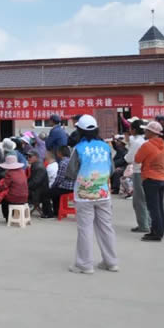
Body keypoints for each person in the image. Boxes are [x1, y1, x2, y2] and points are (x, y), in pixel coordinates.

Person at [66, 115, 119, 273]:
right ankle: (111, 262)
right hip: (103, 193)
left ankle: (85, 264)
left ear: (79, 131)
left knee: (85, 229)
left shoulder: (78, 148)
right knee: (106, 228)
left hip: (84, 196)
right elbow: (111, 169)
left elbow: (71, 172)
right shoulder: (105, 147)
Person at [134, 121, 164, 242]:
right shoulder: (162, 144)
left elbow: (137, 159)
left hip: (150, 178)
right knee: (159, 207)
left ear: (151, 132)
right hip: (162, 177)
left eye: (147, 130)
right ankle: (160, 229)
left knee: (153, 208)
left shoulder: (147, 145)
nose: (145, 132)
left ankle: (156, 233)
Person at [0, 155, 28, 224]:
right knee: (4, 197)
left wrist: (1, 184)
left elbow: (4, 186)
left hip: (14, 197)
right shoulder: (22, 171)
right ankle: (7, 217)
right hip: (24, 196)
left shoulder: (9, 173)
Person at [125, 119, 150, 234]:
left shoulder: (136, 142)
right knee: (146, 199)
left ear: (134, 130)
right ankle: (148, 222)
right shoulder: (146, 140)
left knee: (139, 200)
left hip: (138, 171)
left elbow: (129, 158)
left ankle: (144, 225)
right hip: (147, 171)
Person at [46, 146, 76, 218]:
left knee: (47, 193)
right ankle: (57, 211)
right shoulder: (72, 161)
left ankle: (49, 213)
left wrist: (53, 185)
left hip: (66, 187)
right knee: (55, 192)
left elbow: (59, 178)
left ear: (60, 153)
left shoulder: (63, 163)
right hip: (74, 187)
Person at [27, 150, 51, 217]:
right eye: (27, 156)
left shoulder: (39, 167)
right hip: (37, 190)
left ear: (36, 157)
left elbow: (35, 182)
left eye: (30, 156)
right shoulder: (35, 165)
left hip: (39, 193)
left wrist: (24, 187)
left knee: (17, 193)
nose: (28, 158)